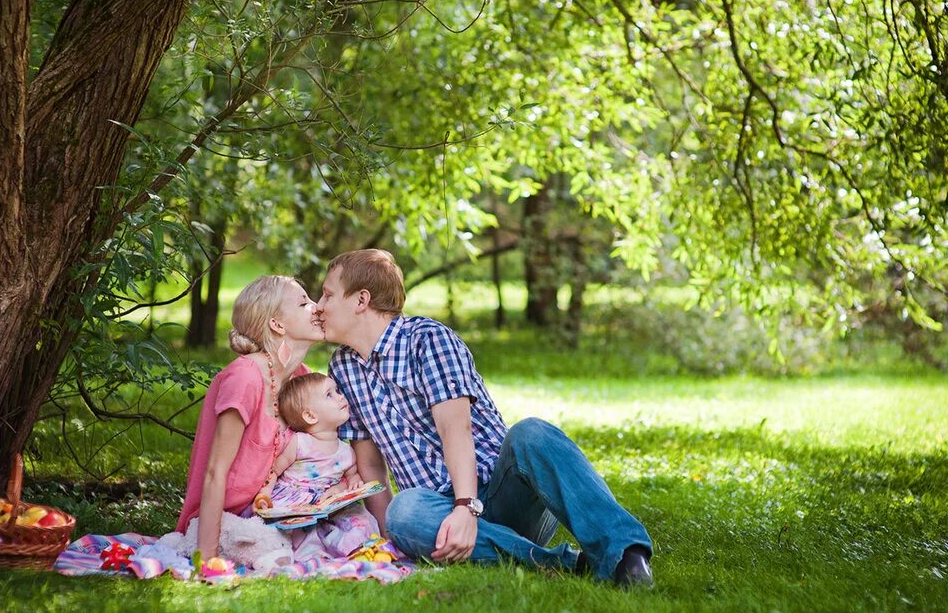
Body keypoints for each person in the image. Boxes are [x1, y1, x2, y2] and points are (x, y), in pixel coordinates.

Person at [316, 249, 654, 589]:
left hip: (499, 493)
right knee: (403, 513)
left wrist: (466, 507)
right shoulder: (342, 367)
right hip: (437, 513)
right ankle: (558, 562)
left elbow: (455, 429)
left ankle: (626, 554)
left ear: (361, 300)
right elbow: (371, 467)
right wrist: (391, 541)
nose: (319, 305)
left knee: (531, 433)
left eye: (328, 294)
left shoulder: (427, 340)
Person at [175, 275, 323, 561]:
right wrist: (206, 557)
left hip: (274, 512)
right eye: (304, 302)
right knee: (266, 545)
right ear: (277, 325)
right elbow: (215, 471)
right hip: (227, 521)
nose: (316, 308)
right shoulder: (244, 377)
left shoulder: (302, 378)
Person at [246, 372, 379, 559]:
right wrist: (265, 493)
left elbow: (352, 477)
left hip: (327, 505)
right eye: (329, 395)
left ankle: (352, 549)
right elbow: (274, 470)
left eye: (337, 391)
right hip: (295, 502)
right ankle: (305, 555)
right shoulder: (300, 443)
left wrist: (347, 486)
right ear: (310, 415)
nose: (341, 396)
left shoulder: (346, 451)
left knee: (359, 521)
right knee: (298, 533)